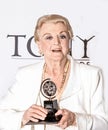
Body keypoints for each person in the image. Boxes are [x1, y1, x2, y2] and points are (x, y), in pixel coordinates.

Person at [0, 14, 108, 130]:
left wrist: (76, 119)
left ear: (69, 41)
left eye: (62, 36)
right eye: (48, 37)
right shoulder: (25, 75)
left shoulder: (91, 75)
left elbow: (103, 124)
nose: (56, 42)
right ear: (39, 44)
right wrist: (23, 117)